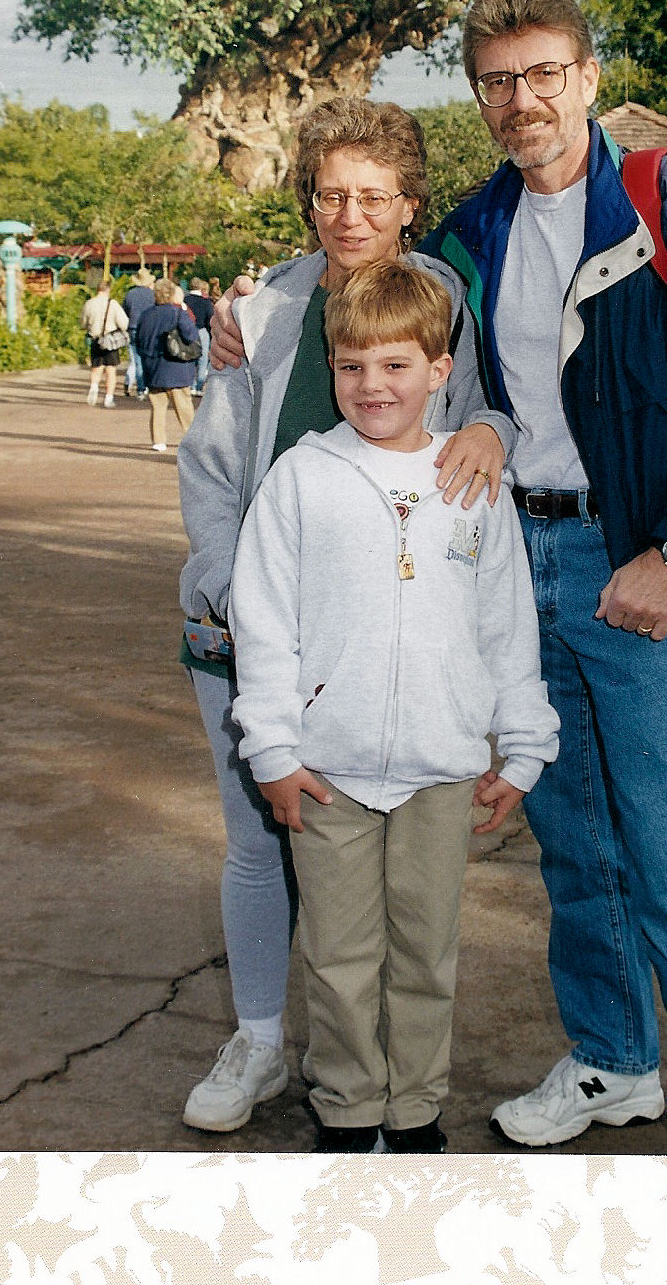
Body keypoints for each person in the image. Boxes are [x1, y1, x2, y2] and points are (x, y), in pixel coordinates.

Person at [212, 0, 667, 1156]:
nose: (520, 99)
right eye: (496, 80)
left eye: (542, 74)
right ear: (478, 96)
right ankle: (612, 1059)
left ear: (585, 77)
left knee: (663, 846)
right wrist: (250, 307)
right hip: (509, 550)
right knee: (572, 841)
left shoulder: (663, 202)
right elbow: (369, 288)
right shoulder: (475, 229)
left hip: (631, 558)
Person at [175, 96, 515, 1138]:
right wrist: (238, 598)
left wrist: (494, 428)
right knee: (255, 833)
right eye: (330, 193)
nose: (350, 214)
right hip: (250, 621)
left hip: (388, 633)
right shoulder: (266, 310)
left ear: (410, 204)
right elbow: (215, 465)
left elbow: (485, 407)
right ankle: (261, 1039)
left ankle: (373, 1075)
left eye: (373, 195)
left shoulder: (444, 301)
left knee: (387, 878)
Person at [229, 260, 558, 1152]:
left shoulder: (471, 483)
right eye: (352, 367)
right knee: (337, 960)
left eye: (396, 366)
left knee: (424, 958)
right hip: (327, 772)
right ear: (332, 367)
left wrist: (522, 750)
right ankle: (345, 1108)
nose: (372, 385)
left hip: (442, 770)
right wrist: (273, 752)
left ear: (441, 370)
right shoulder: (301, 478)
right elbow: (262, 624)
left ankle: (413, 1110)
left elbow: (505, 626)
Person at [132, 278, 198, 452]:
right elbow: (191, 335)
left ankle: (158, 440)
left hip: (153, 368)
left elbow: (139, 340)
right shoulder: (178, 313)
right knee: (183, 406)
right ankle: (191, 439)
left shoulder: (146, 315)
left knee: (158, 406)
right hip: (177, 367)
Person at [80, 277, 128, 407]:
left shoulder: (89, 303)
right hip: (110, 340)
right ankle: (108, 398)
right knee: (111, 370)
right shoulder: (113, 304)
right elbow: (124, 323)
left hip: (96, 339)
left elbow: (83, 323)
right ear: (108, 289)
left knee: (96, 368)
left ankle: (94, 387)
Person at [124, 268, 155, 399]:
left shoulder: (130, 294)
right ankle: (149, 386)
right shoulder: (153, 295)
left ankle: (140, 389)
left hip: (133, 327)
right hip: (149, 328)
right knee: (150, 358)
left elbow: (125, 311)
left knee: (137, 360)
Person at [183, 280, 214, 394]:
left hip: (186, 330)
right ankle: (199, 386)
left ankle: (190, 385)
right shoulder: (205, 302)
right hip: (202, 331)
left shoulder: (184, 300)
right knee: (203, 359)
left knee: (189, 358)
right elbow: (210, 319)